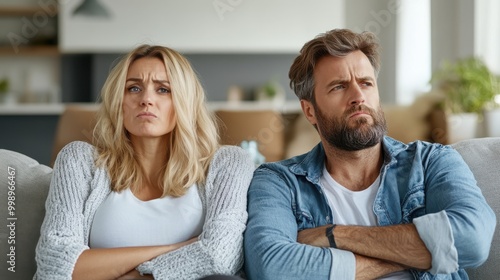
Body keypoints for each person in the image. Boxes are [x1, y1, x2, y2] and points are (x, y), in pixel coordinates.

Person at [244, 28, 496, 280]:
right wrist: (419, 256)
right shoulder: (279, 182)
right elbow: (270, 267)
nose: (358, 96)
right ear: (309, 111)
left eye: (366, 83)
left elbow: (472, 240)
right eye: (339, 87)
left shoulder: (432, 161)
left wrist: (335, 234)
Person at [34, 45, 254, 280]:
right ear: (118, 101)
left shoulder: (227, 163)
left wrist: (132, 276)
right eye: (134, 88)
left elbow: (219, 258)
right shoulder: (78, 161)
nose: (146, 99)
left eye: (163, 89)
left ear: (185, 102)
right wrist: (172, 249)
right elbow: (54, 266)